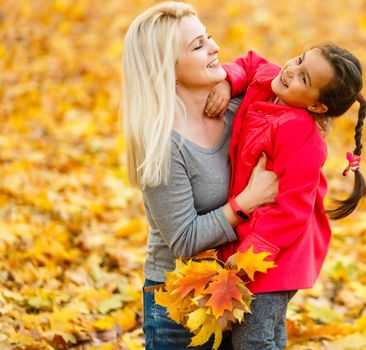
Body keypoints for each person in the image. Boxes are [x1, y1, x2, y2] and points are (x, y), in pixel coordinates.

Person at [121, 2, 279, 349]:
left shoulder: (239, 108)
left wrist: (232, 79)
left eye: (208, 37)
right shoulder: (163, 144)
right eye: (197, 45)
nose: (215, 48)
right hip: (180, 301)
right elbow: (184, 239)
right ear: (167, 67)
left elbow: (285, 77)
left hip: (240, 289)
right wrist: (248, 201)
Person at [207, 45, 366, 349]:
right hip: (253, 238)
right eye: (298, 59)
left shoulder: (302, 137)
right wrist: (227, 79)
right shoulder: (271, 81)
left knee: (253, 339)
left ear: (318, 106)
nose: (291, 70)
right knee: (267, 334)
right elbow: (251, 62)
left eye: (304, 78)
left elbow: (292, 211)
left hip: (278, 256)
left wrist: (250, 255)